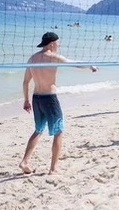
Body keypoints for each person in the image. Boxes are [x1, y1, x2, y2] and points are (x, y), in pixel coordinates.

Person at [20, 32, 98, 175]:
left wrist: (26, 100)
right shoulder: (53, 57)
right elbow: (74, 64)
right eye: (57, 42)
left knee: (38, 130)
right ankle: (53, 168)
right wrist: (90, 65)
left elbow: (25, 82)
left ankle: (25, 161)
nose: (58, 44)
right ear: (51, 44)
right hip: (49, 99)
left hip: (36, 98)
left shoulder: (32, 58)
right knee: (58, 132)